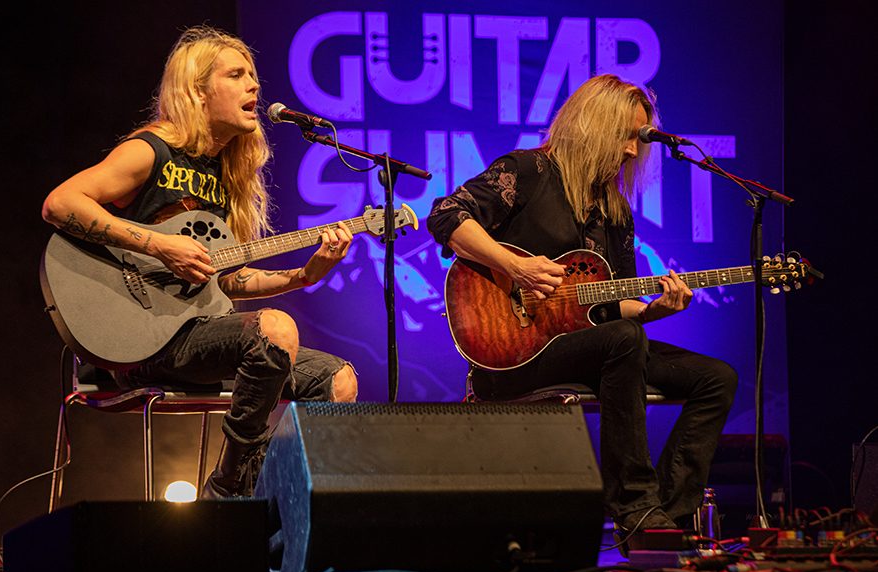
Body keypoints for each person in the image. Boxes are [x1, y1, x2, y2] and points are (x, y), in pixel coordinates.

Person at [42, 26, 358, 499]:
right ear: (198, 90)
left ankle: (262, 490)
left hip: (199, 337)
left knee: (338, 382)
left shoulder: (228, 174)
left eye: (253, 75)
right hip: (141, 341)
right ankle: (229, 487)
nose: (254, 85)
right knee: (276, 330)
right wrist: (158, 245)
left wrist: (305, 275)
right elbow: (61, 203)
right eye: (237, 75)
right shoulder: (151, 150)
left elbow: (225, 282)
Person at [427, 74, 737, 537]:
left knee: (716, 378)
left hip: (591, 346)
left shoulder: (615, 209)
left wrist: (653, 310)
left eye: (638, 138)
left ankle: (667, 519)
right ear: (593, 126)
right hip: (514, 353)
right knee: (624, 339)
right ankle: (634, 505)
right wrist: (515, 267)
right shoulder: (527, 171)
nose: (632, 149)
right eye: (626, 135)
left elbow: (616, 303)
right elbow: (446, 216)